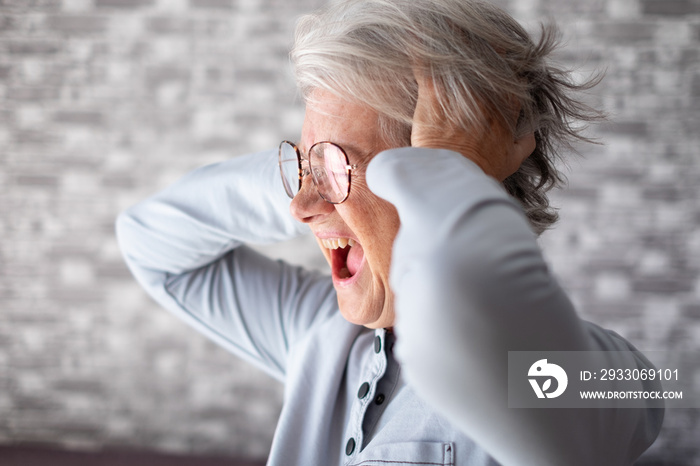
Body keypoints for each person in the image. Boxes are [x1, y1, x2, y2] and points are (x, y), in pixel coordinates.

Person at [116, 0, 663, 464]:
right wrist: (319, 167)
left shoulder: (610, 379)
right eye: (307, 165)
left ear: (457, 166)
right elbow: (152, 244)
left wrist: (455, 168)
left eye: (336, 167)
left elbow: (479, 351)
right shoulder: (320, 337)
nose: (299, 208)